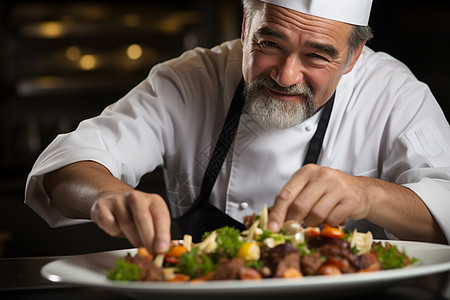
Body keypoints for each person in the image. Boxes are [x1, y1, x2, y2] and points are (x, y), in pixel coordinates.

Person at [25, 0, 450, 254]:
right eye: (269, 44)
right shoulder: (191, 79)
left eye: (317, 57)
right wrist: (110, 197)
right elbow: (69, 167)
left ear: (354, 58)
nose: (286, 76)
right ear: (245, 28)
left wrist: (367, 195)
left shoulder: (396, 95)